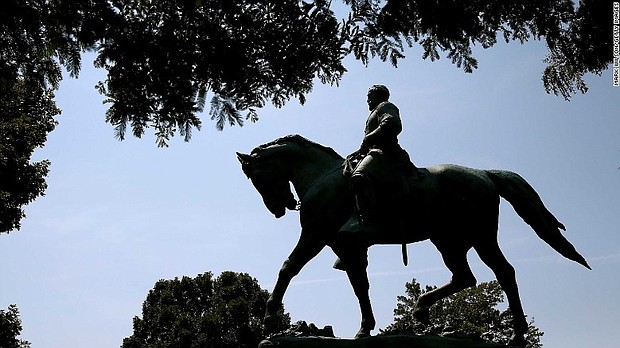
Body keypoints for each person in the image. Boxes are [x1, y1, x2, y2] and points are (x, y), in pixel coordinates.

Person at [342, 84, 413, 235]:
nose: (367, 100)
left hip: (384, 152)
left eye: (370, 96)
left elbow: (392, 123)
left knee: (359, 177)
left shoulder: (385, 106)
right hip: (373, 152)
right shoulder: (375, 111)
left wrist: (368, 138)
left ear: (378, 96)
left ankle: (367, 221)